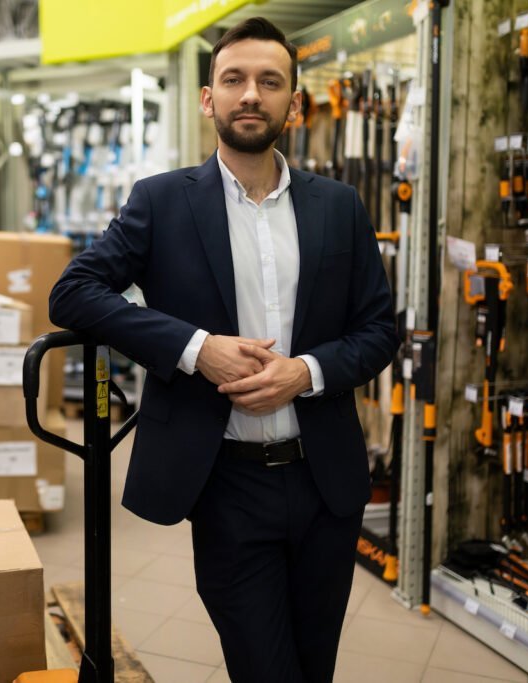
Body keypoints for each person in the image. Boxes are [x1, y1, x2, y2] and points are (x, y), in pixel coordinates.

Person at [49, 17, 399, 682]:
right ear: (208, 98)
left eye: (270, 82)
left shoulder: (340, 207)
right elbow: (74, 292)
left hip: (325, 481)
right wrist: (194, 348)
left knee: (313, 665)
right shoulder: (161, 203)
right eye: (233, 79)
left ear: (294, 103)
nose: (250, 94)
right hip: (226, 482)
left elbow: (379, 329)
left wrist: (307, 372)